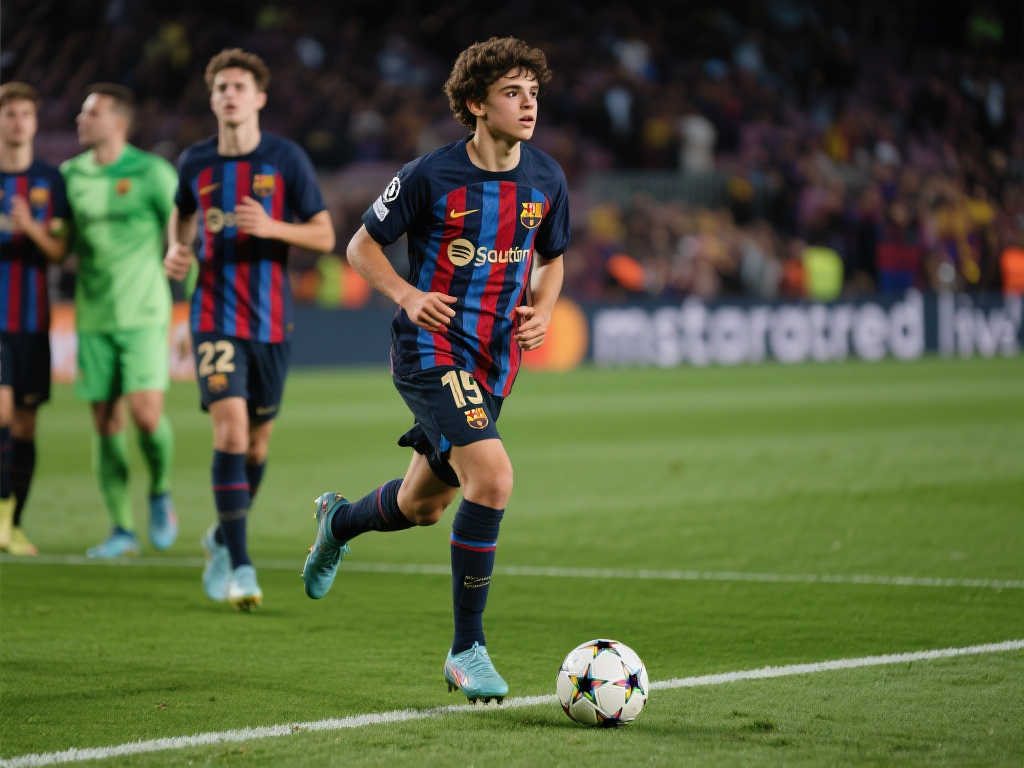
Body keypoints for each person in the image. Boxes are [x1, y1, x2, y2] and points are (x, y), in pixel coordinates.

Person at [302, 36, 569, 703]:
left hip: (495, 362)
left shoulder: (546, 178)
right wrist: (407, 295)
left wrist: (544, 308)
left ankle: (338, 522)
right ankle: (466, 650)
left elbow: (552, 257)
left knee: (423, 506)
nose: (528, 104)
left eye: (533, 92)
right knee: (494, 477)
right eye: (512, 93)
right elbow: (360, 246)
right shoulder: (429, 176)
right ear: (476, 103)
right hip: (432, 350)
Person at [164, 49, 334, 610]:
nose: (230, 95)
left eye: (239, 86)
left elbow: (324, 235)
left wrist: (272, 226)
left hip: (270, 321)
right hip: (213, 315)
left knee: (257, 443)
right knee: (231, 433)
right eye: (221, 88)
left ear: (259, 97)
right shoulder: (195, 161)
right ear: (212, 99)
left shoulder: (285, 158)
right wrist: (176, 249)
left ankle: (221, 536)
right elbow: (182, 212)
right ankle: (239, 564)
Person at [61, 83, 179, 559]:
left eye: (90, 113)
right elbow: (60, 242)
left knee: (146, 416)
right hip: (93, 315)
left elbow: (183, 234)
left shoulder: (152, 173)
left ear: (118, 122)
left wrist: (193, 295)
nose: (80, 120)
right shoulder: (70, 175)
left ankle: (160, 491)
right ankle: (121, 529)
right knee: (106, 421)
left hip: (144, 312)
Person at [0, 82, 70, 555]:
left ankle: (14, 521)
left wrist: (29, 229)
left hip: (33, 320)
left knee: (25, 425)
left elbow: (60, 251)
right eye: (10, 114)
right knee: (2, 413)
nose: (18, 122)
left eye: (25, 114)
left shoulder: (50, 180)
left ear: (35, 121)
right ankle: (2, 513)